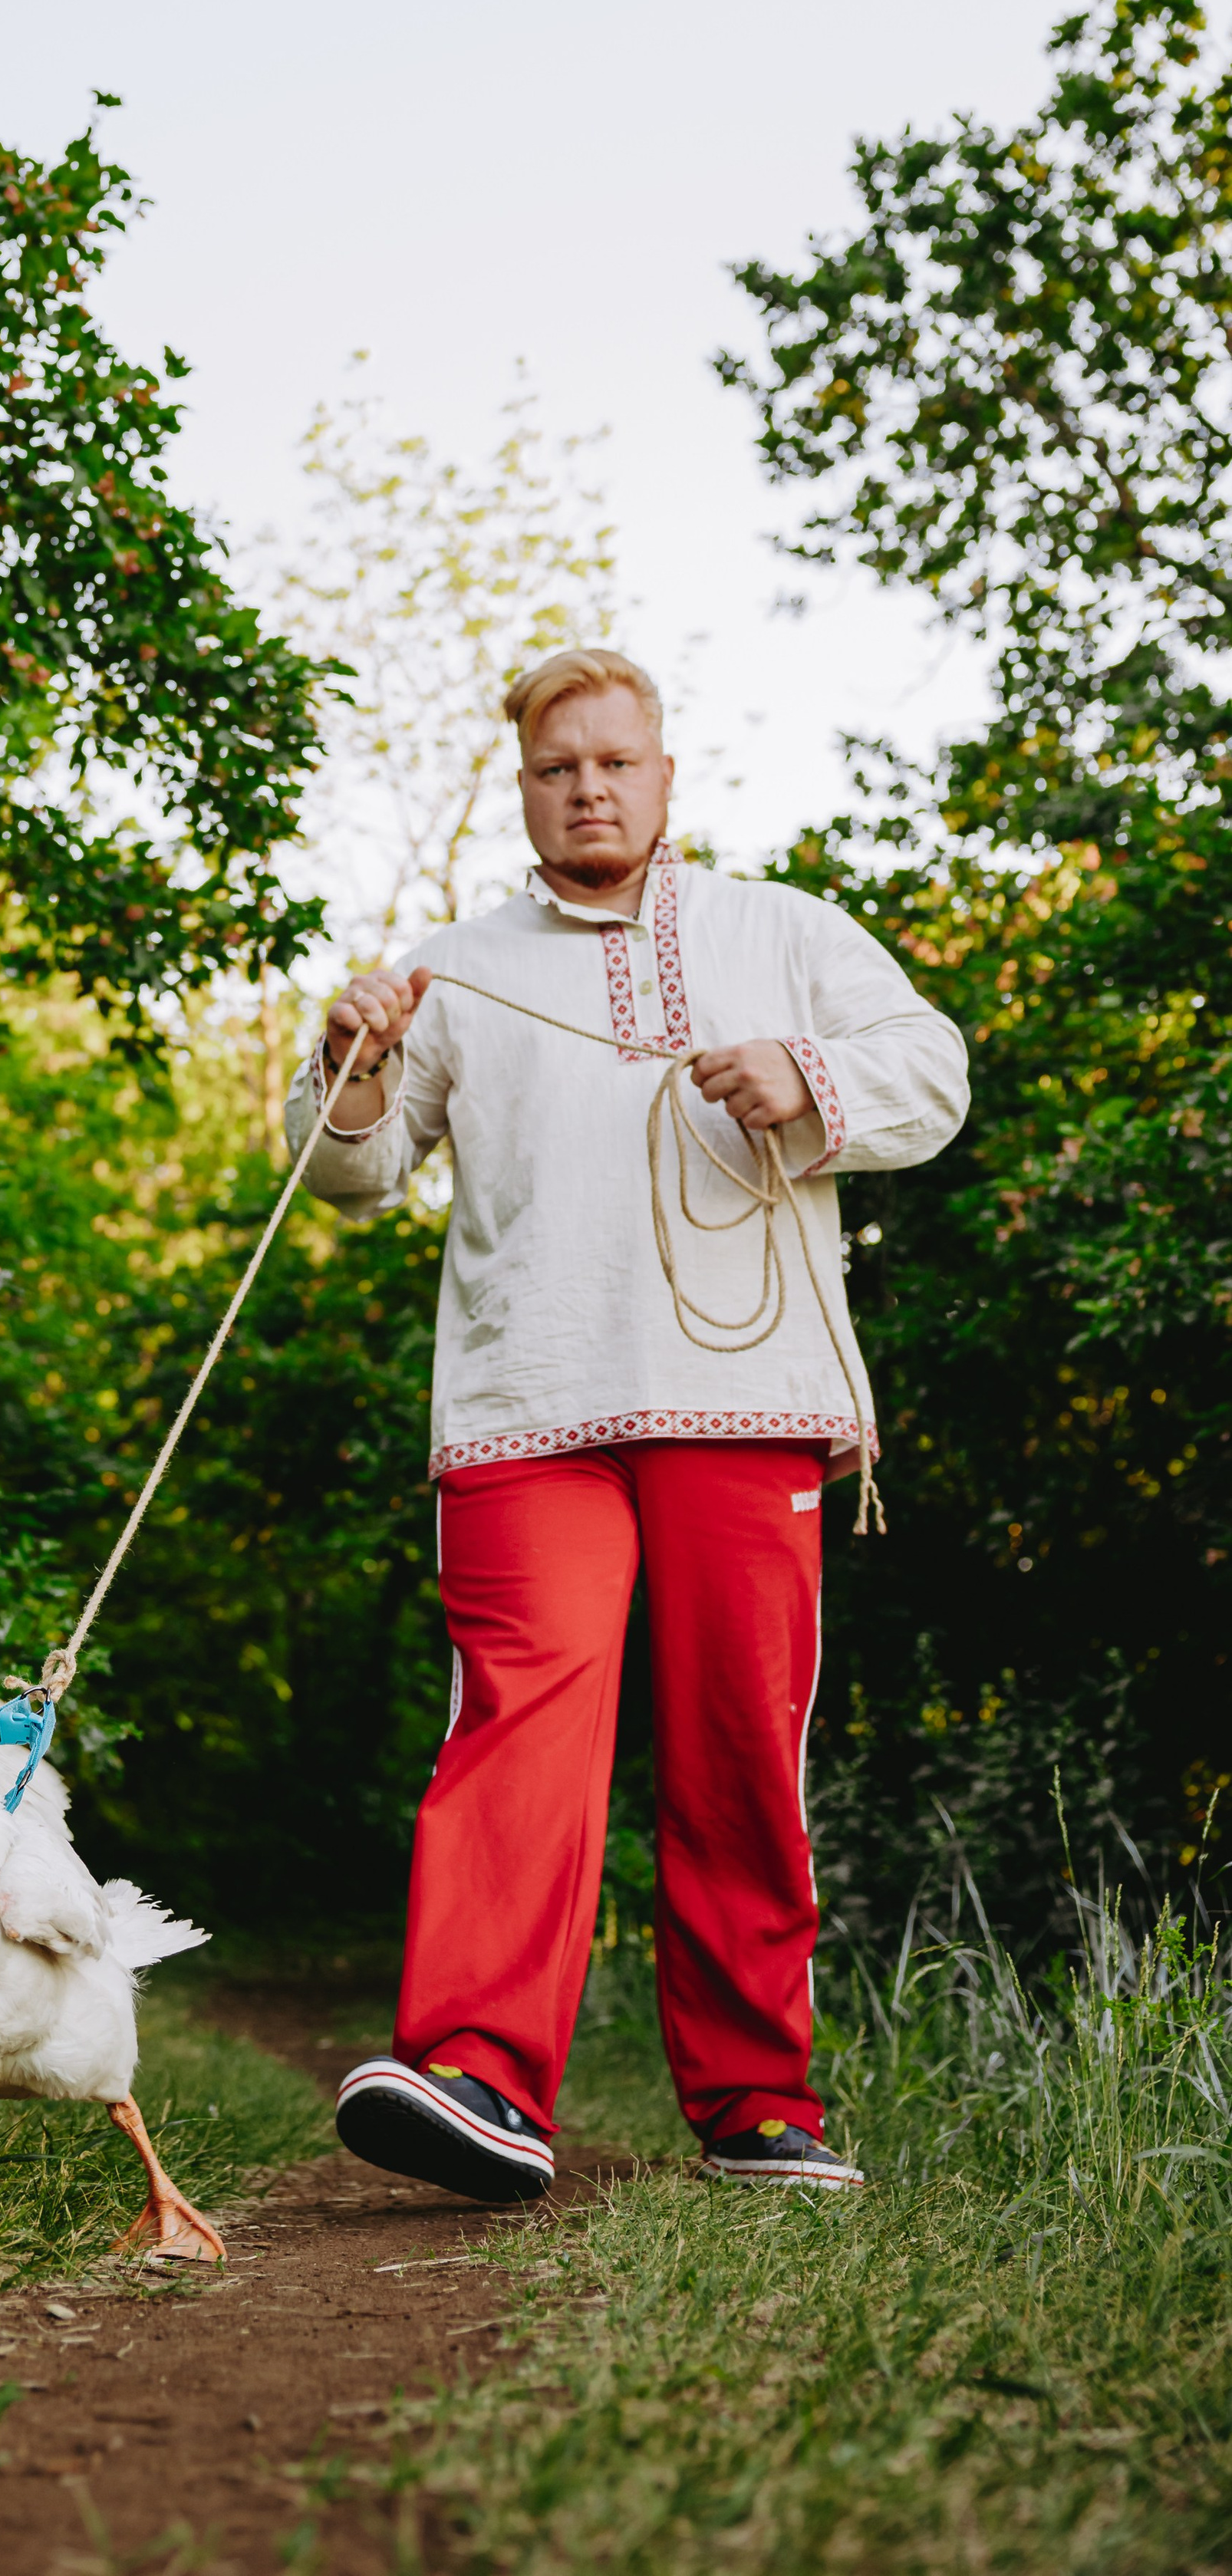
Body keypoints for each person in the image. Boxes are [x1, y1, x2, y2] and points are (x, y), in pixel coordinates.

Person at [285, 646, 968, 2199]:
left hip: (750, 1395)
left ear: (663, 773)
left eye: (613, 760)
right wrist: (348, 1069)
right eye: (554, 766)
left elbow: (930, 1072)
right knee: (517, 1728)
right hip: (527, 1405)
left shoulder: (780, 932)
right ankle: (474, 2078)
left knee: (736, 1742)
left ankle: (753, 2102)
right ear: (522, 787)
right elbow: (346, 1173)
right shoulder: (448, 968)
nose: (586, 786)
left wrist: (801, 1074)